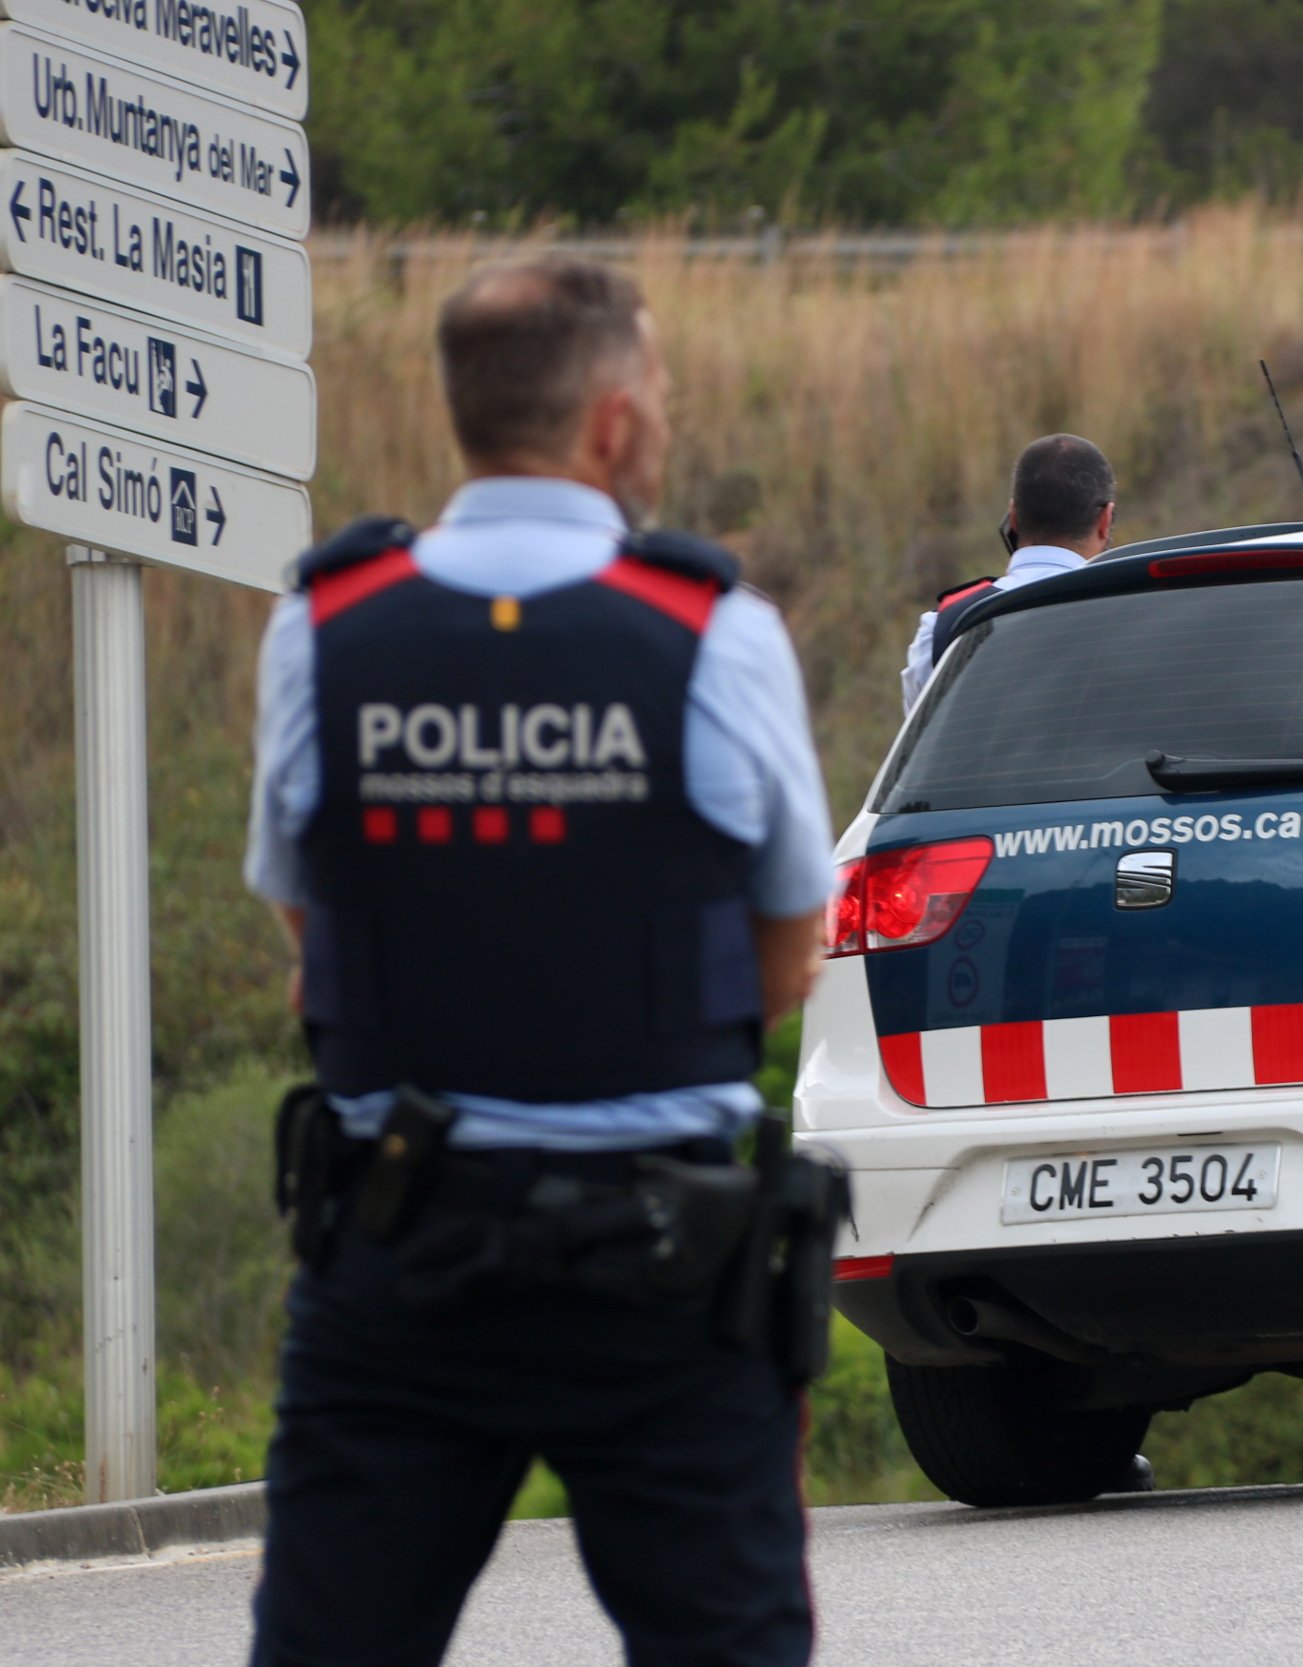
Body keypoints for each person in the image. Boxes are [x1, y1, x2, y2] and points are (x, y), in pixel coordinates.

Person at [245, 255, 836, 1667]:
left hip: (397, 1255)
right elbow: (787, 951)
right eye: (667, 397)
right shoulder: (714, 629)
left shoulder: (321, 623)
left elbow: (309, 925)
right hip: (665, 1268)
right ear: (615, 423)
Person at [899, 433, 1117, 711]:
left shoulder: (941, 629)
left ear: (1013, 517)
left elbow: (922, 744)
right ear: (1105, 520)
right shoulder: (1136, 615)